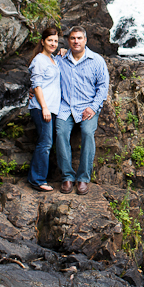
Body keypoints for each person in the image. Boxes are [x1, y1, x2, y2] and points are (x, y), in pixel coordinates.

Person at [55, 26, 110, 195]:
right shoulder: (60, 59)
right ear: (68, 41)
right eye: (73, 38)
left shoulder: (97, 60)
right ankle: (67, 177)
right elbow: (45, 73)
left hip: (87, 107)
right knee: (60, 132)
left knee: (87, 133)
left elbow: (102, 86)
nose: (76, 41)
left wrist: (93, 107)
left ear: (85, 40)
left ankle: (83, 179)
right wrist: (33, 89)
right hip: (65, 107)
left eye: (79, 38)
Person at [27, 26, 62, 193]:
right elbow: (37, 85)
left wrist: (63, 52)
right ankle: (37, 179)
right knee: (45, 143)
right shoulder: (39, 60)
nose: (53, 43)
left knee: (47, 142)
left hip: (52, 108)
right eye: (50, 40)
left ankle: (39, 177)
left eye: (55, 41)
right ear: (42, 42)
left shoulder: (53, 60)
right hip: (42, 108)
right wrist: (44, 108)